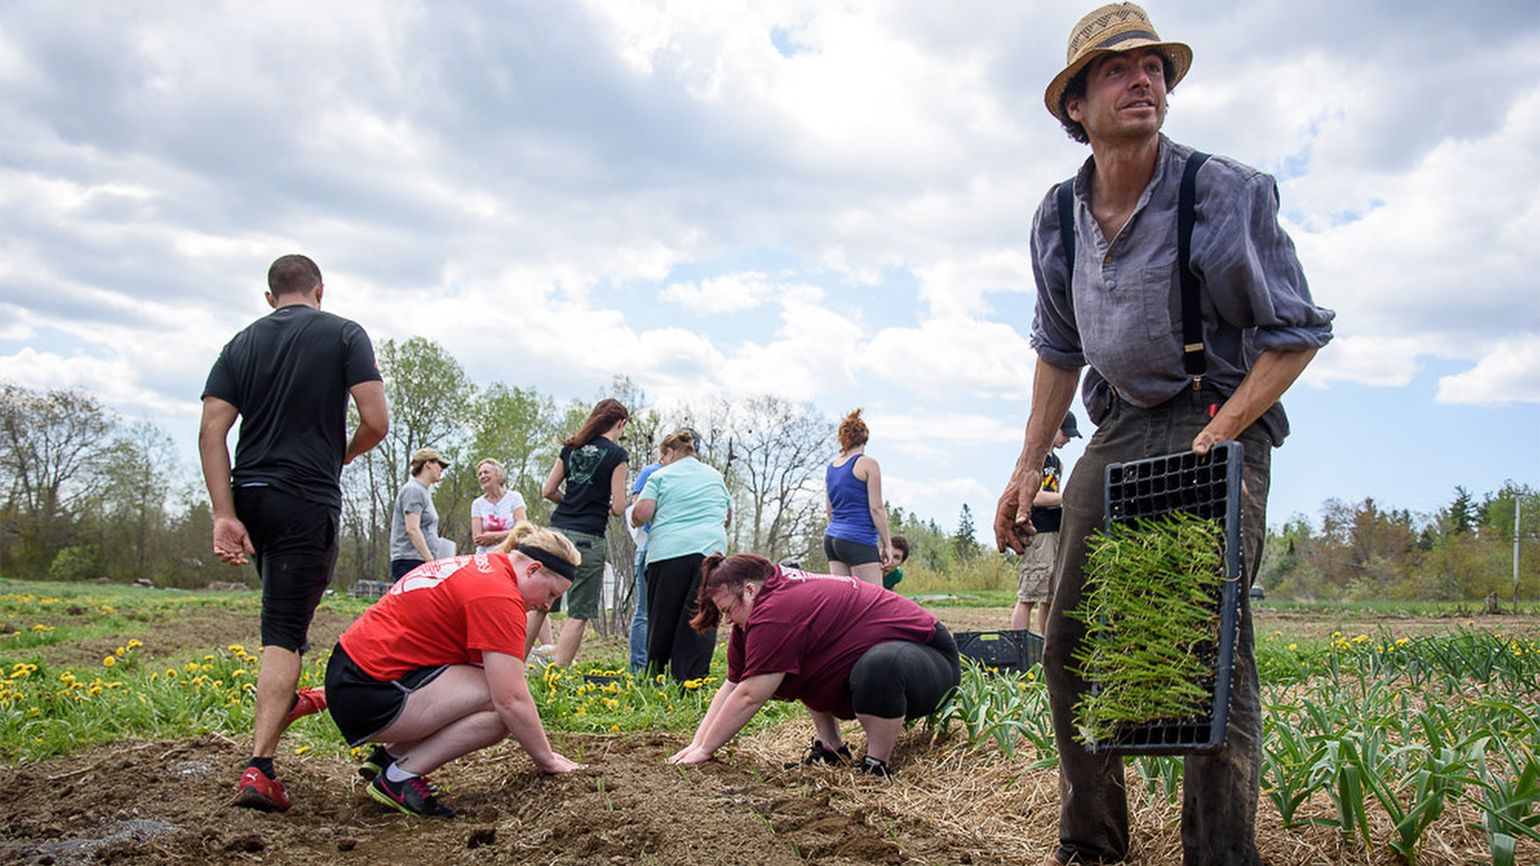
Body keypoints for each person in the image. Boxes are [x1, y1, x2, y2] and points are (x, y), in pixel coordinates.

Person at [993, 5, 1334, 864]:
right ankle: (1092, 843)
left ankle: (1219, 854)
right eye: (1117, 70)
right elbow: (1058, 349)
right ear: (1075, 104)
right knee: (1068, 638)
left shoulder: (1225, 191)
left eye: (1154, 68)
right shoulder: (1057, 216)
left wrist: (1222, 432)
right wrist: (1026, 467)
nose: (1143, 80)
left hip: (1219, 408)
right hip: (1120, 421)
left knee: (1207, 645)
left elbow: (1292, 332)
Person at [199, 253, 389, 811]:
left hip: (252, 495)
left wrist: (224, 514)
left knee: (287, 619)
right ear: (320, 290)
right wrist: (340, 456)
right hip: (306, 494)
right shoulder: (345, 334)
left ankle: (287, 703)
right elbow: (375, 421)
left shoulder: (240, 343)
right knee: (282, 630)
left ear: (269, 297)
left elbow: (212, 431)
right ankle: (259, 767)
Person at [328, 522, 585, 818]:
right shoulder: (500, 596)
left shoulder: (483, 566)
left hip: (354, 677)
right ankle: (399, 777)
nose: (546, 605)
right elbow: (511, 698)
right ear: (533, 569)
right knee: (500, 708)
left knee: (491, 687)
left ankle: (391, 755)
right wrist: (548, 759)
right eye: (551, 593)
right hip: (369, 694)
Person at [668, 554, 960, 777]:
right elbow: (732, 685)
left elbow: (749, 694)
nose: (728, 620)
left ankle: (876, 764)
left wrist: (707, 749)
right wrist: (696, 745)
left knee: (879, 667)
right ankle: (831, 748)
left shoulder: (777, 610)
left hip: (931, 659)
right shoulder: (755, 615)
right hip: (903, 658)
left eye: (728, 610)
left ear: (749, 589)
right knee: (809, 658)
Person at [631, 428, 731, 683]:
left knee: (663, 616)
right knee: (702, 614)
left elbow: (642, 512)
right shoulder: (715, 476)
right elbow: (727, 517)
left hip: (669, 552)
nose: (661, 461)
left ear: (670, 452)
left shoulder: (661, 475)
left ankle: (656, 676)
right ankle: (692, 679)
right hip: (711, 553)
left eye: (662, 456)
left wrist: (634, 518)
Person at [535, 398, 629, 667]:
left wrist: (573, 502)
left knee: (540, 604)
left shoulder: (571, 448)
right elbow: (620, 507)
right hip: (588, 538)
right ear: (620, 423)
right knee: (578, 612)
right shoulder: (617, 455)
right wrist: (600, 505)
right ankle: (558, 674)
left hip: (555, 535)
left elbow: (548, 490)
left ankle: (515, 665)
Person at [1010, 413, 1080, 634]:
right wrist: (1069, 497)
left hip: (1055, 532)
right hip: (1037, 531)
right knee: (1029, 594)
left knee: (1048, 596)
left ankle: (1045, 645)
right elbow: (1036, 496)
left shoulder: (1056, 463)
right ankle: (1019, 647)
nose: (1067, 440)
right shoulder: (1033, 459)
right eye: (1065, 434)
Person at [823, 409, 894, 584]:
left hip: (832, 540)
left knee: (843, 603)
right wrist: (887, 545)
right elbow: (876, 508)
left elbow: (829, 511)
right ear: (865, 438)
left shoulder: (832, 467)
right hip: (858, 539)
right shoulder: (868, 464)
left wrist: (838, 533)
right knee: (872, 602)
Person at [625, 447, 671, 674]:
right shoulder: (652, 472)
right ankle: (639, 668)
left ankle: (660, 668)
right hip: (649, 546)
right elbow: (637, 509)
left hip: (672, 549)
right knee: (644, 611)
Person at [389, 448, 449, 579]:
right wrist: (430, 561)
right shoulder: (413, 490)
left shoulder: (423, 492)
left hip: (419, 561)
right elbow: (412, 529)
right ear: (428, 464)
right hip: (410, 562)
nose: (441, 470)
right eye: (439, 465)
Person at [470, 458, 528, 554]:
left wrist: (494, 537)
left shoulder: (514, 497)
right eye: (480, 474)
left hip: (511, 553)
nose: (482, 476)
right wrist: (510, 534)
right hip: (485, 555)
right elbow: (477, 539)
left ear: (498, 475)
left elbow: (523, 530)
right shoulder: (477, 504)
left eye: (486, 472)